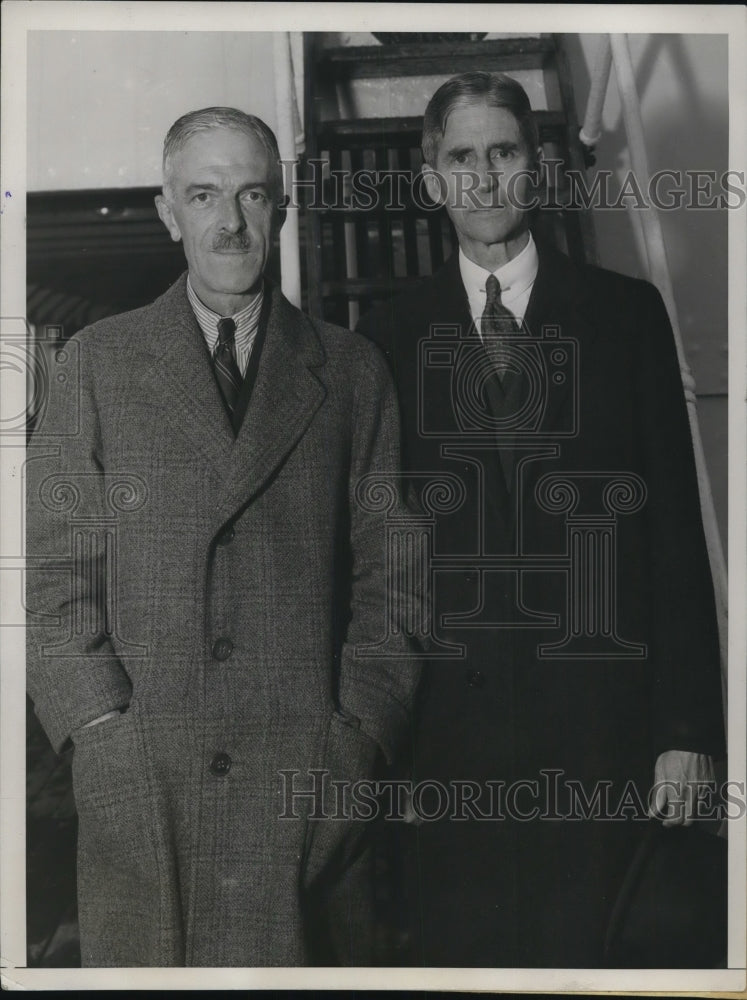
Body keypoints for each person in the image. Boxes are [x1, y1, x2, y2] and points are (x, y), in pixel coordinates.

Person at [26, 107, 422, 968]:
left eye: (251, 194)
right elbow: (52, 579)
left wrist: (358, 737)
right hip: (145, 785)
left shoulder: (351, 371)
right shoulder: (94, 364)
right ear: (169, 212)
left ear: (282, 208)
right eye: (203, 195)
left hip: (306, 787)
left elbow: (394, 579)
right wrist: (99, 733)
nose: (229, 221)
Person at [357, 72, 725, 967]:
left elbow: (676, 538)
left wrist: (686, 735)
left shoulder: (625, 315)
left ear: (541, 165)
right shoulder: (386, 336)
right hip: (451, 746)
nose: (482, 179)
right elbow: (375, 560)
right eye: (460, 159)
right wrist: (385, 751)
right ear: (431, 178)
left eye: (503, 153)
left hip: (602, 737)